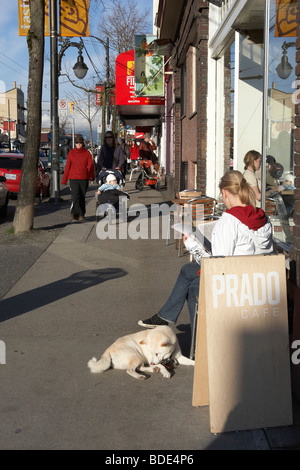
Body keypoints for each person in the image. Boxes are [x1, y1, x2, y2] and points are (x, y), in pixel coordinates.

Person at [138, 170, 273, 329]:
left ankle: (200, 347)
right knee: (187, 269)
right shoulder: (263, 218)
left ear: (225, 193)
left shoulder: (229, 221)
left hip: (235, 284)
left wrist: (192, 246)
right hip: (257, 279)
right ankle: (166, 316)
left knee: (194, 287)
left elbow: (218, 267)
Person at [61, 134, 95, 221]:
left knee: (82, 196)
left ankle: (82, 213)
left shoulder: (87, 153)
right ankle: (75, 213)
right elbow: (67, 166)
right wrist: (64, 179)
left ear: (82, 143)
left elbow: (90, 165)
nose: (78, 144)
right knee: (75, 196)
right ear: (75, 144)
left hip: (84, 178)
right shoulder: (71, 153)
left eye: (80, 143)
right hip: (73, 178)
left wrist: (91, 176)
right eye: (77, 143)